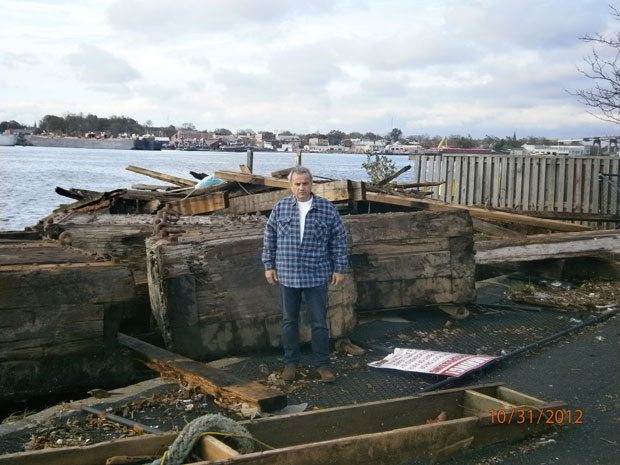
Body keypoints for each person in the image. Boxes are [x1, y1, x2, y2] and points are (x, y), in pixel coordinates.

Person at [262, 166, 348, 383]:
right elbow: (269, 237)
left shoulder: (327, 209)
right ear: (291, 186)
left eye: (305, 183)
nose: (301, 187)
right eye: (297, 184)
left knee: (319, 322)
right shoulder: (280, 208)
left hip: (317, 274)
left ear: (312, 184)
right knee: (289, 321)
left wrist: (339, 267)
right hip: (287, 274)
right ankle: (291, 363)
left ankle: (322, 364)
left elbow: (339, 240)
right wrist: (268, 265)